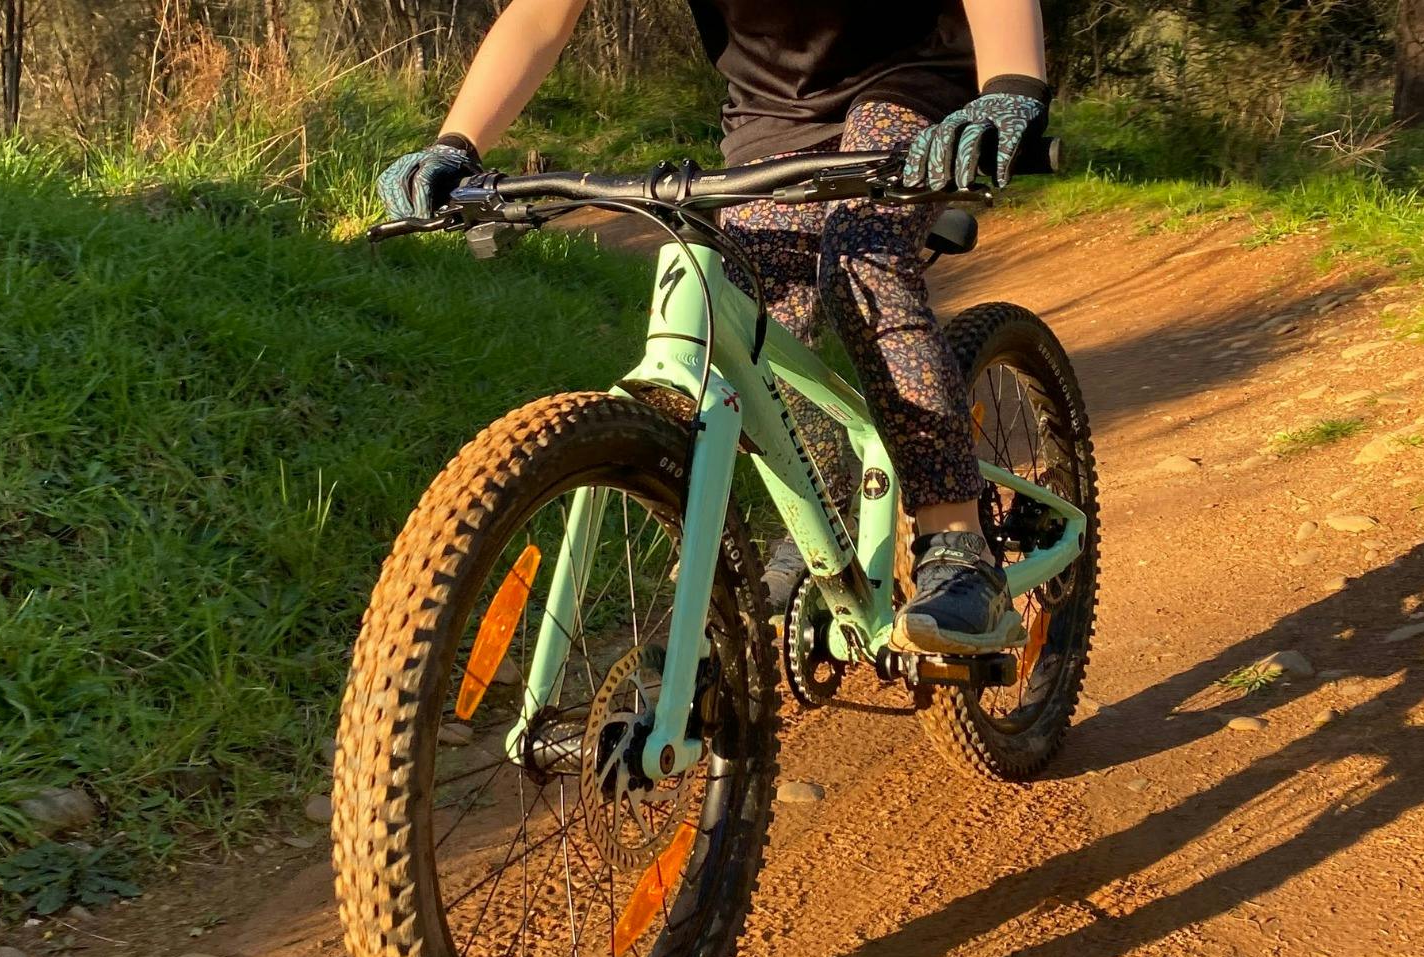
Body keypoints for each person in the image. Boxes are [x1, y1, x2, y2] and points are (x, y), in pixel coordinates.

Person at [377, 0, 1052, 655]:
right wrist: (456, 144)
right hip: (773, 114)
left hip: (913, 82)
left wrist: (1011, 84)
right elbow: (539, 16)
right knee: (757, 315)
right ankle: (824, 513)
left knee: (863, 264)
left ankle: (957, 546)